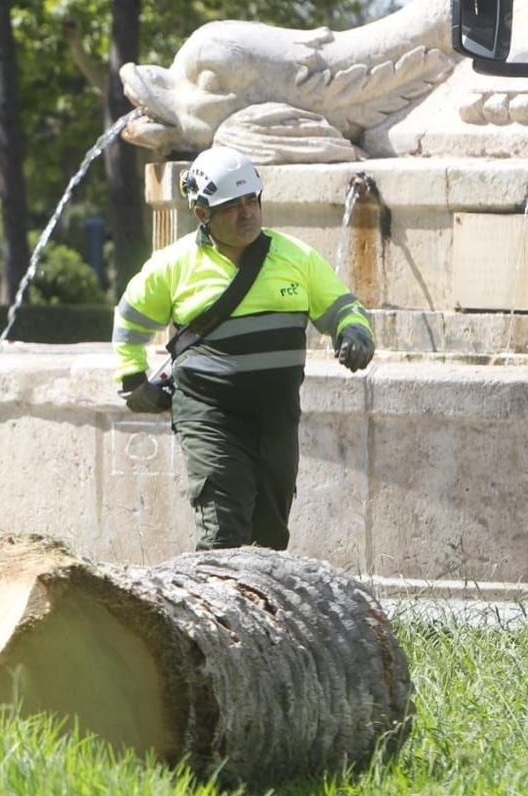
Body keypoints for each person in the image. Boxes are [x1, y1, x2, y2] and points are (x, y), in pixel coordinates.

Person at [113, 147, 375, 552]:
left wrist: (355, 334)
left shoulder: (295, 256)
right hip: (209, 413)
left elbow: (342, 307)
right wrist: (132, 381)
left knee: (270, 538)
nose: (246, 212)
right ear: (202, 214)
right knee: (223, 531)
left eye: (251, 200)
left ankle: (257, 613)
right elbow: (130, 318)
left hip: (276, 417)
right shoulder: (175, 264)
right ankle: (212, 610)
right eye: (231, 206)